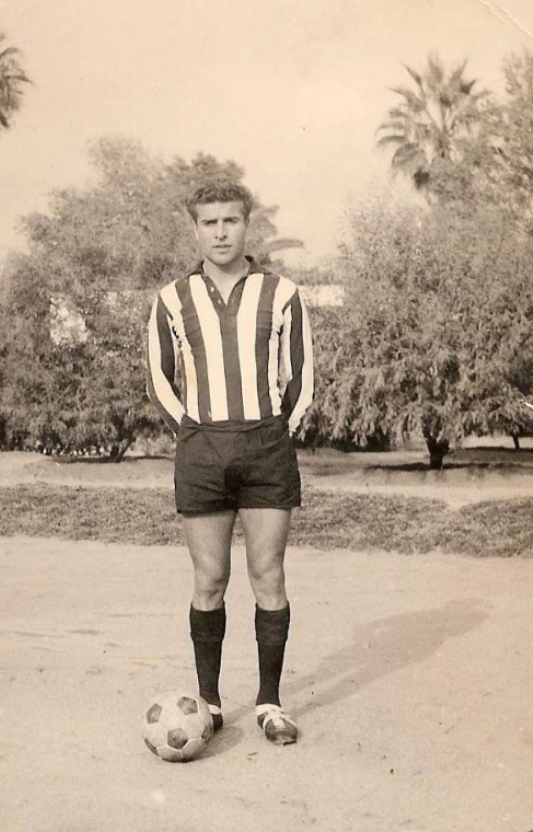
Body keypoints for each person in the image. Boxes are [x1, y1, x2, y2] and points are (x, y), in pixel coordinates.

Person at [146, 179, 314, 745]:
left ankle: (269, 702)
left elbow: (301, 379)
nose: (220, 231)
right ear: (195, 228)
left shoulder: (282, 294)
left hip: (266, 445)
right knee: (210, 578)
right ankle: (211, 704)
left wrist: (273, 432)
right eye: (209, 222)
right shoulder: (171, 299)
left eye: (231, 221)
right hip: (201, 450)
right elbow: (159, 380)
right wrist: (194, 434)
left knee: (269, 574)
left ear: (248, 224)